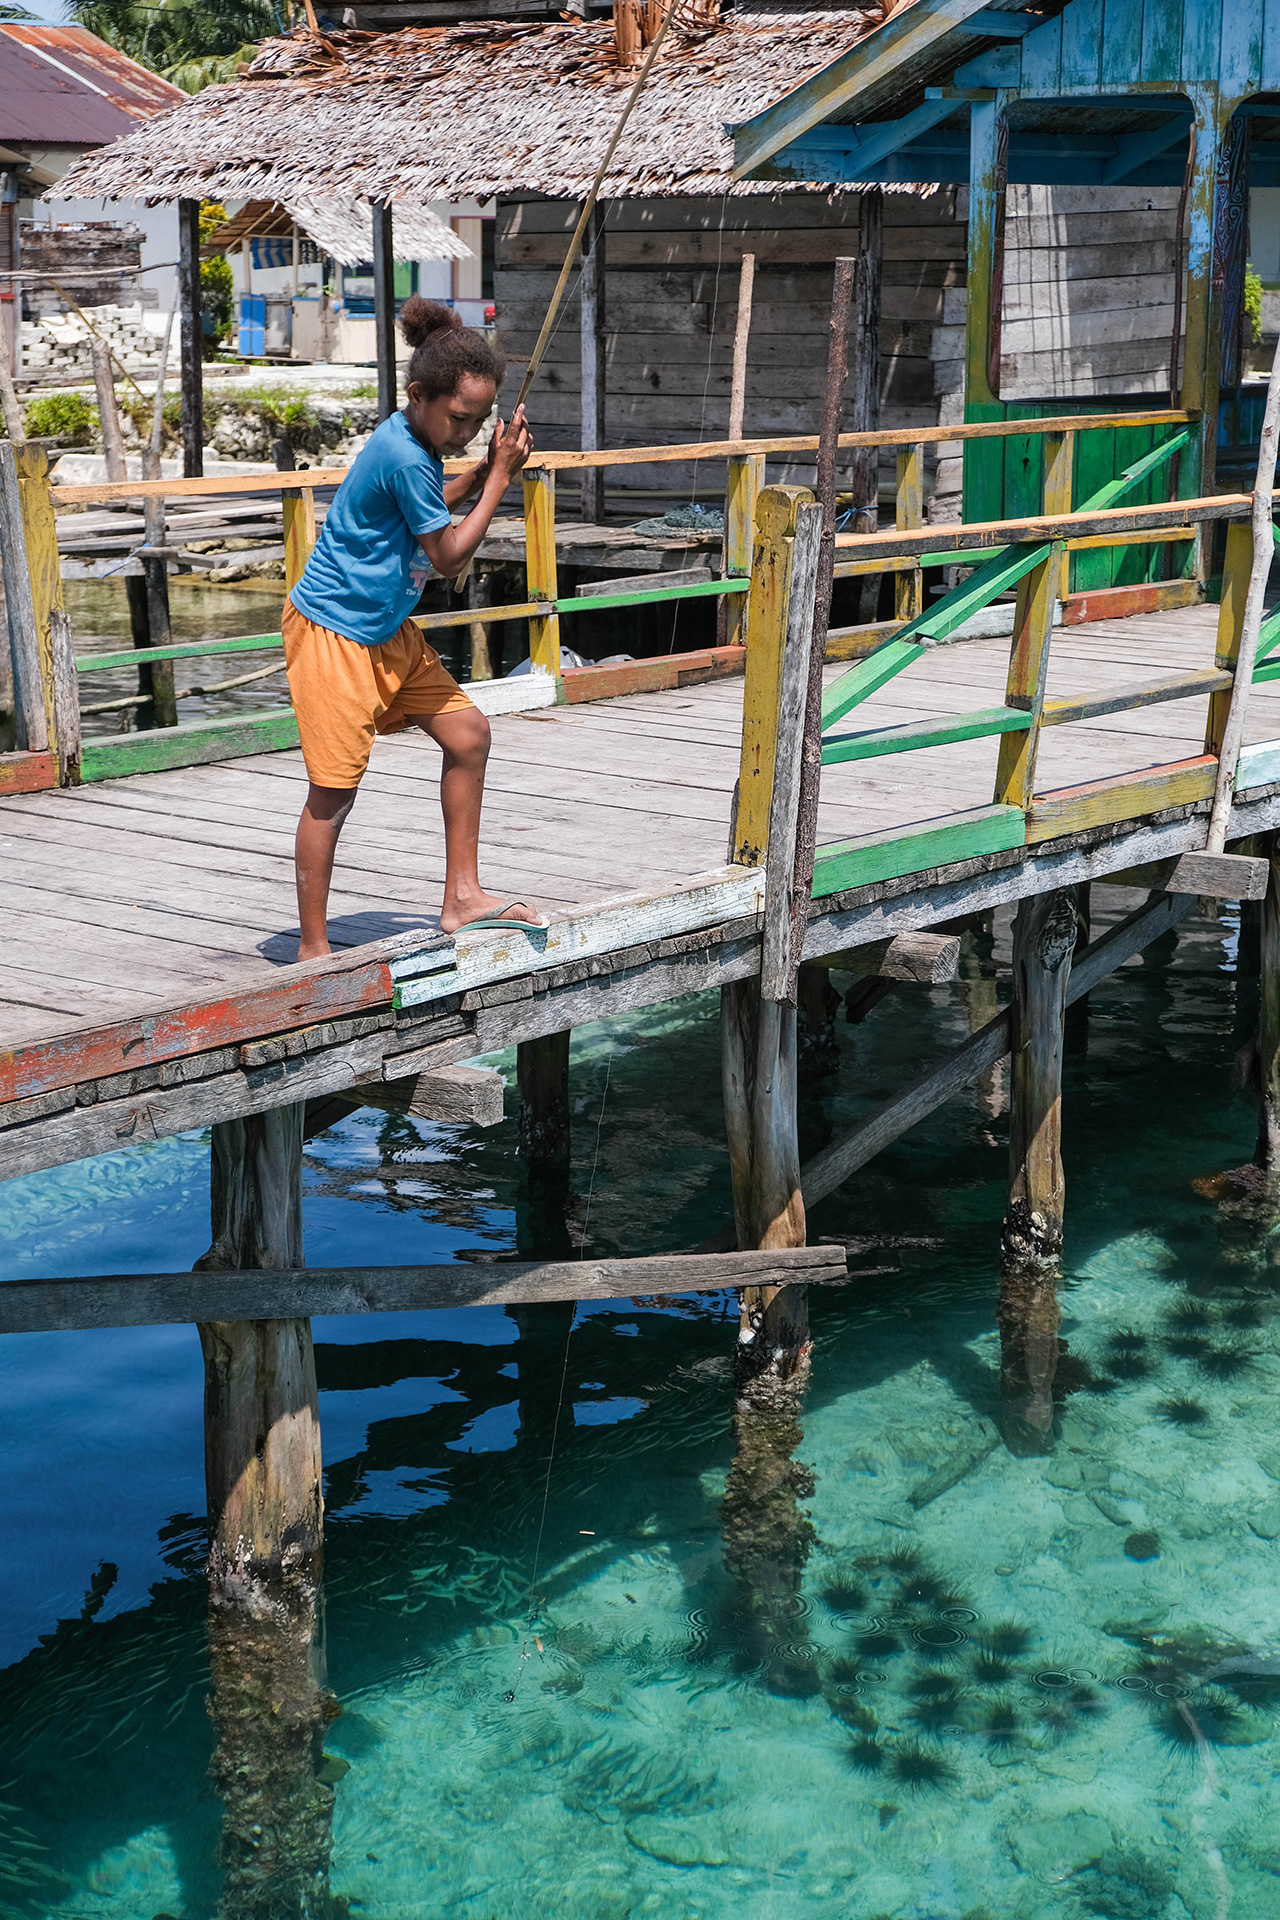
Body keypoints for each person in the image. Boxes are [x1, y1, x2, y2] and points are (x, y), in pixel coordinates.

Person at [283, 294, 543, 960]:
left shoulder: (417, 446)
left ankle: (462, 898)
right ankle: (314, 954)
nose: (467, 430)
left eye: (481, 419)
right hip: (334, 633)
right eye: (461, 418)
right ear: (419, 395)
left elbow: (429, 502)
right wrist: (500, 479)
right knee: (333, 793)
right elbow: (449, 557)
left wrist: (484, 469)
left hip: (385, 629)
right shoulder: (403, 452)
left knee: (468, 734)